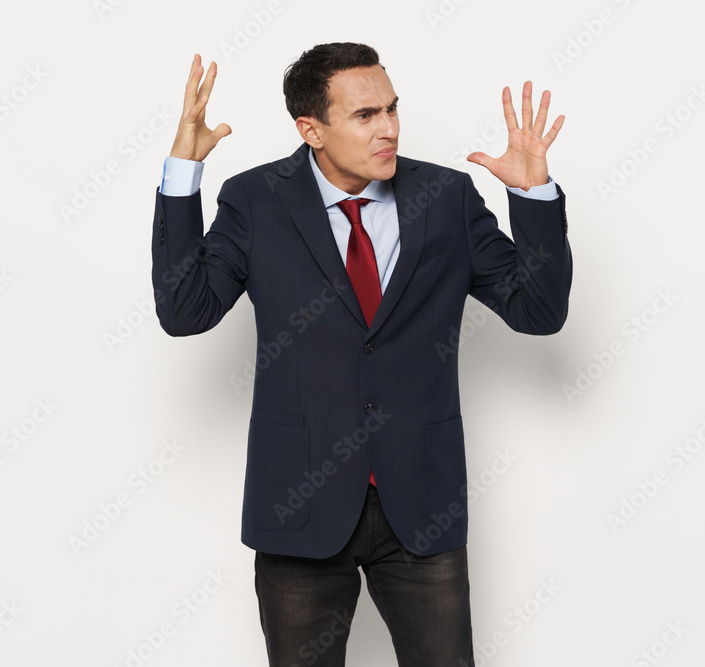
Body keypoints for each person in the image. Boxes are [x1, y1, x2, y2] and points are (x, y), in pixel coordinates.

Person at [151, 42, 572, 667]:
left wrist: (534, 196)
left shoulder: (446, 197)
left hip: (422, 502)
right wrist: (183, 173)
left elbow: (538, 312)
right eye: (366, 115)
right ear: (311, 129)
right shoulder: (256, 200)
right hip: (300, 501)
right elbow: (185, 311)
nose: (389, 128)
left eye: (392, 109)